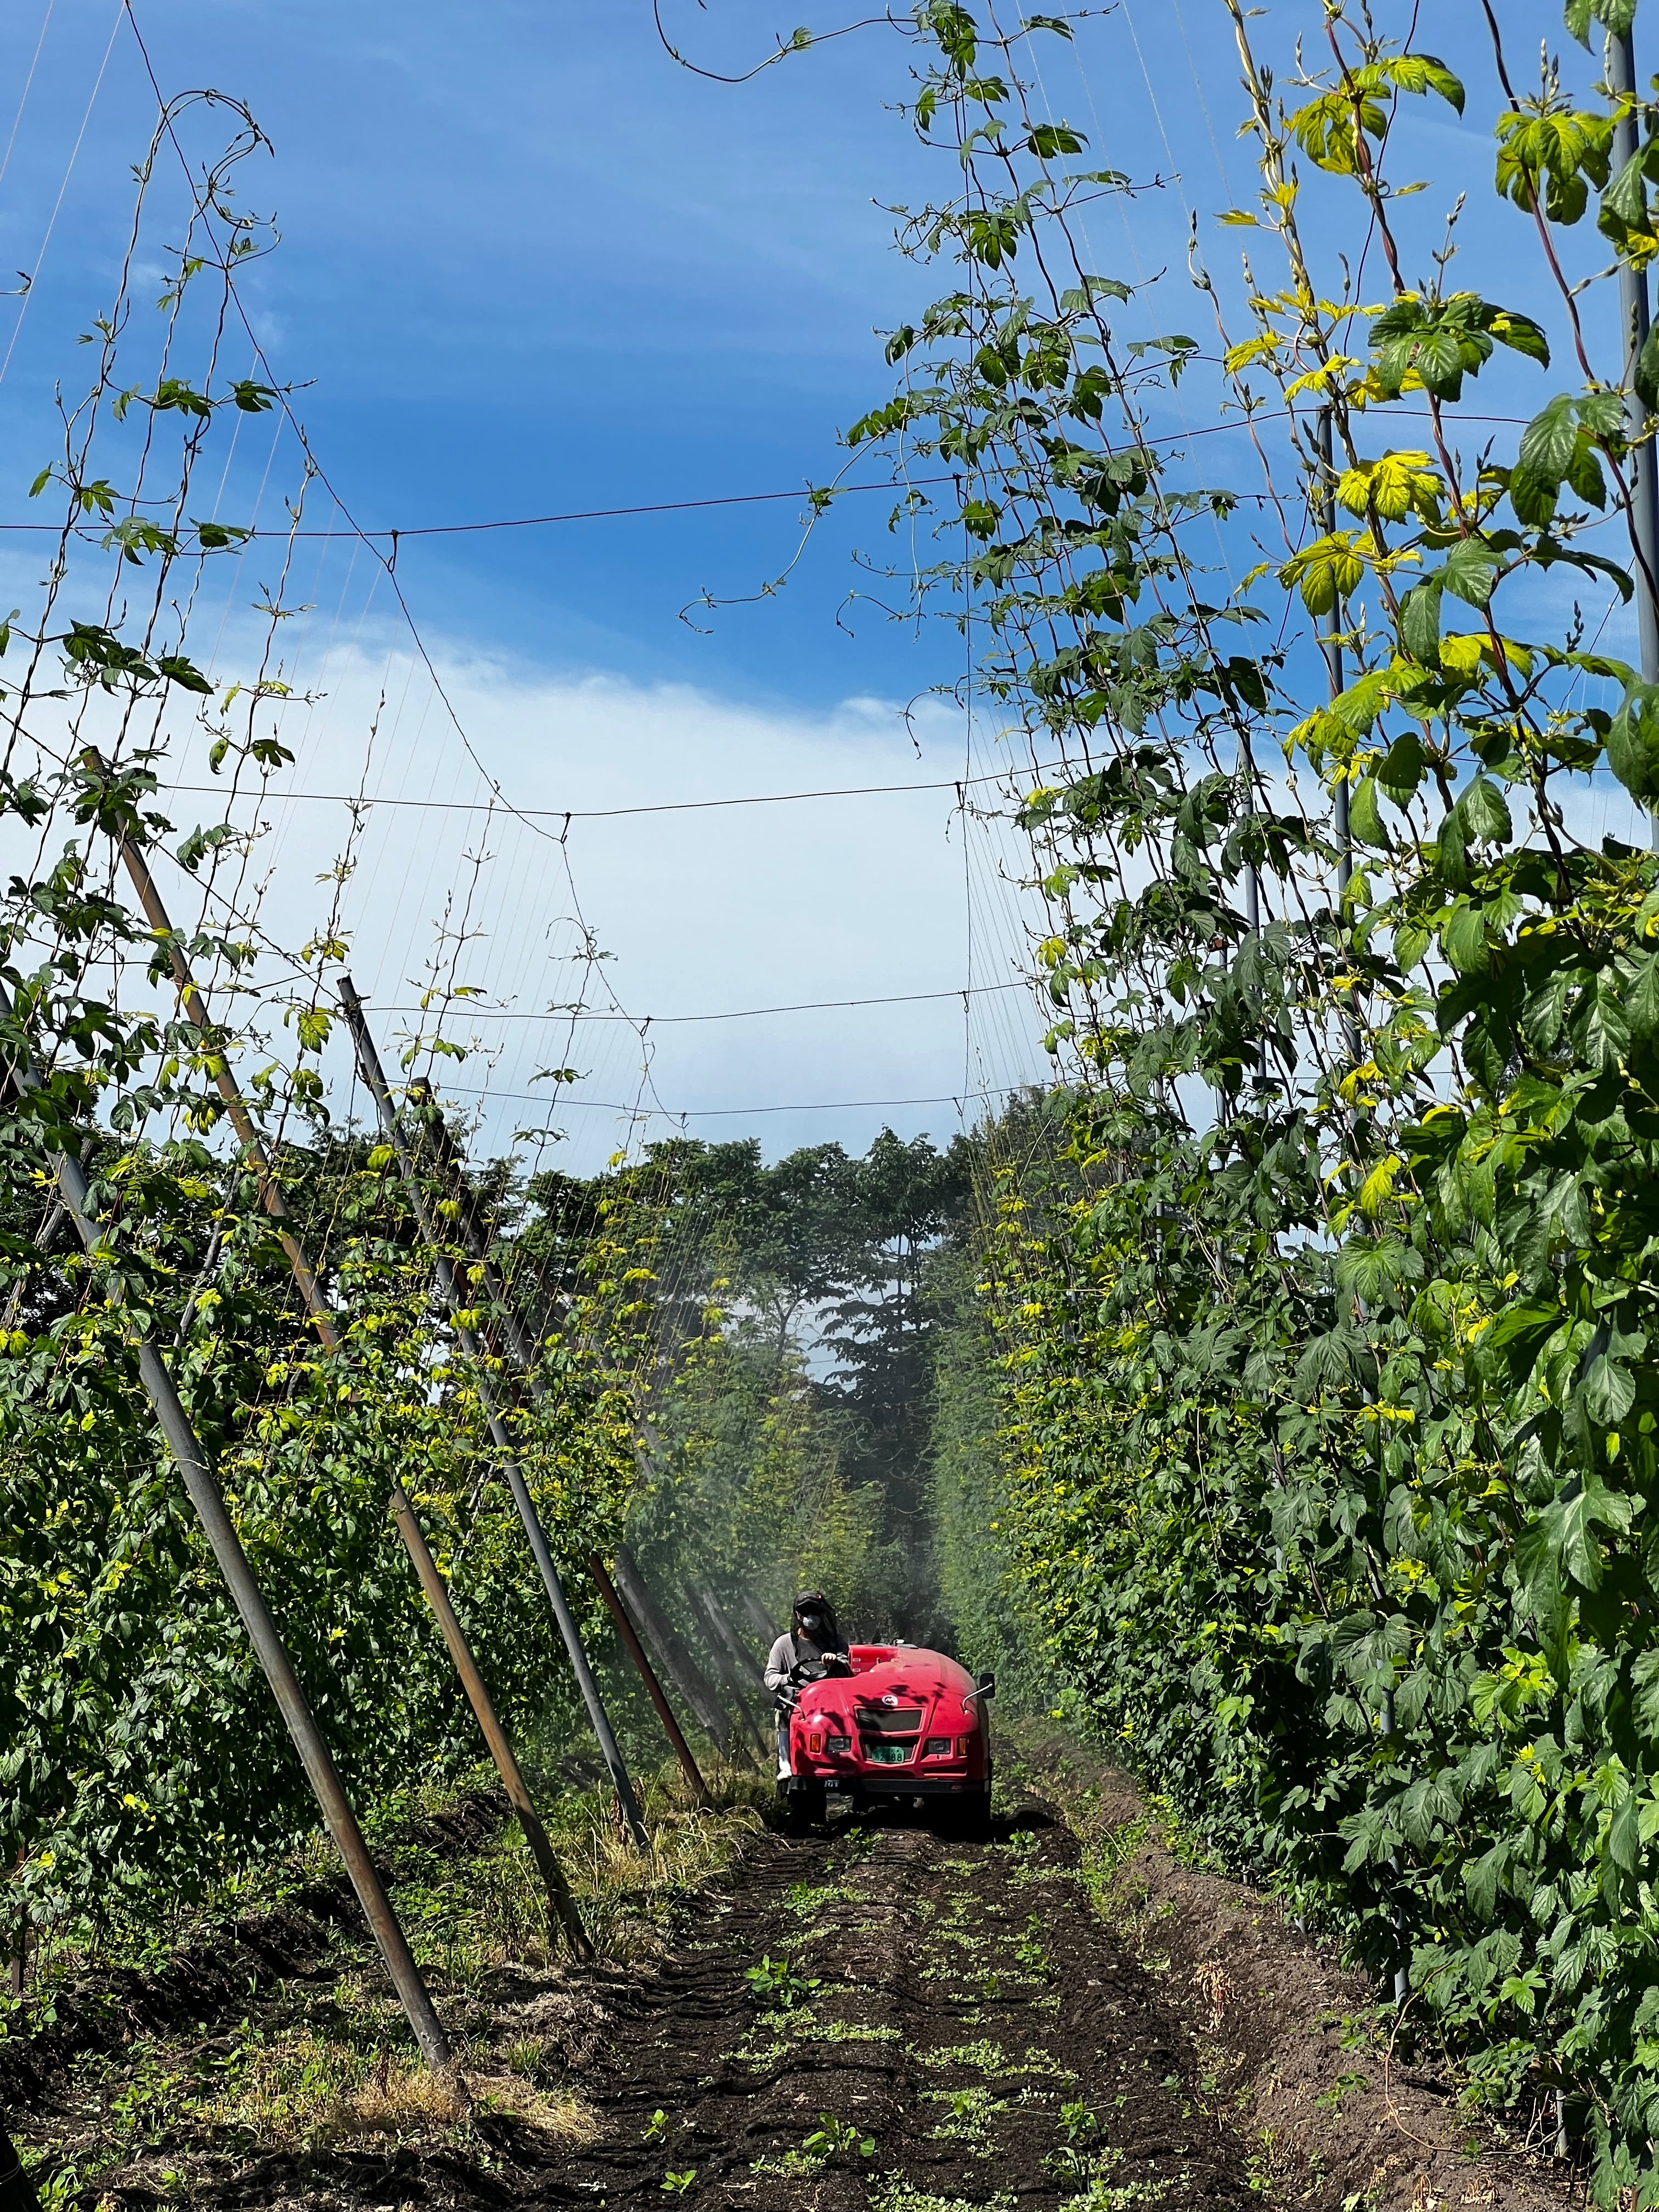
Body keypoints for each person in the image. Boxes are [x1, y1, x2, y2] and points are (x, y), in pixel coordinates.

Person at [765, 1590, 851, 1780]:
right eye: (805, 1612)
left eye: (814, 1612)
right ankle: (786, 1765)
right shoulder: (784, 1644)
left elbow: (848, 1671)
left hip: (830, 1700)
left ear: (822, 1614)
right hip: (798, 1701)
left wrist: (835, 1662)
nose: (810, 1617)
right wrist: (788, 1679)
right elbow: (770, 1678)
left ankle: (850, 1760)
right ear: (797, 1615)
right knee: (782, 1706)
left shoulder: (836, 1642)